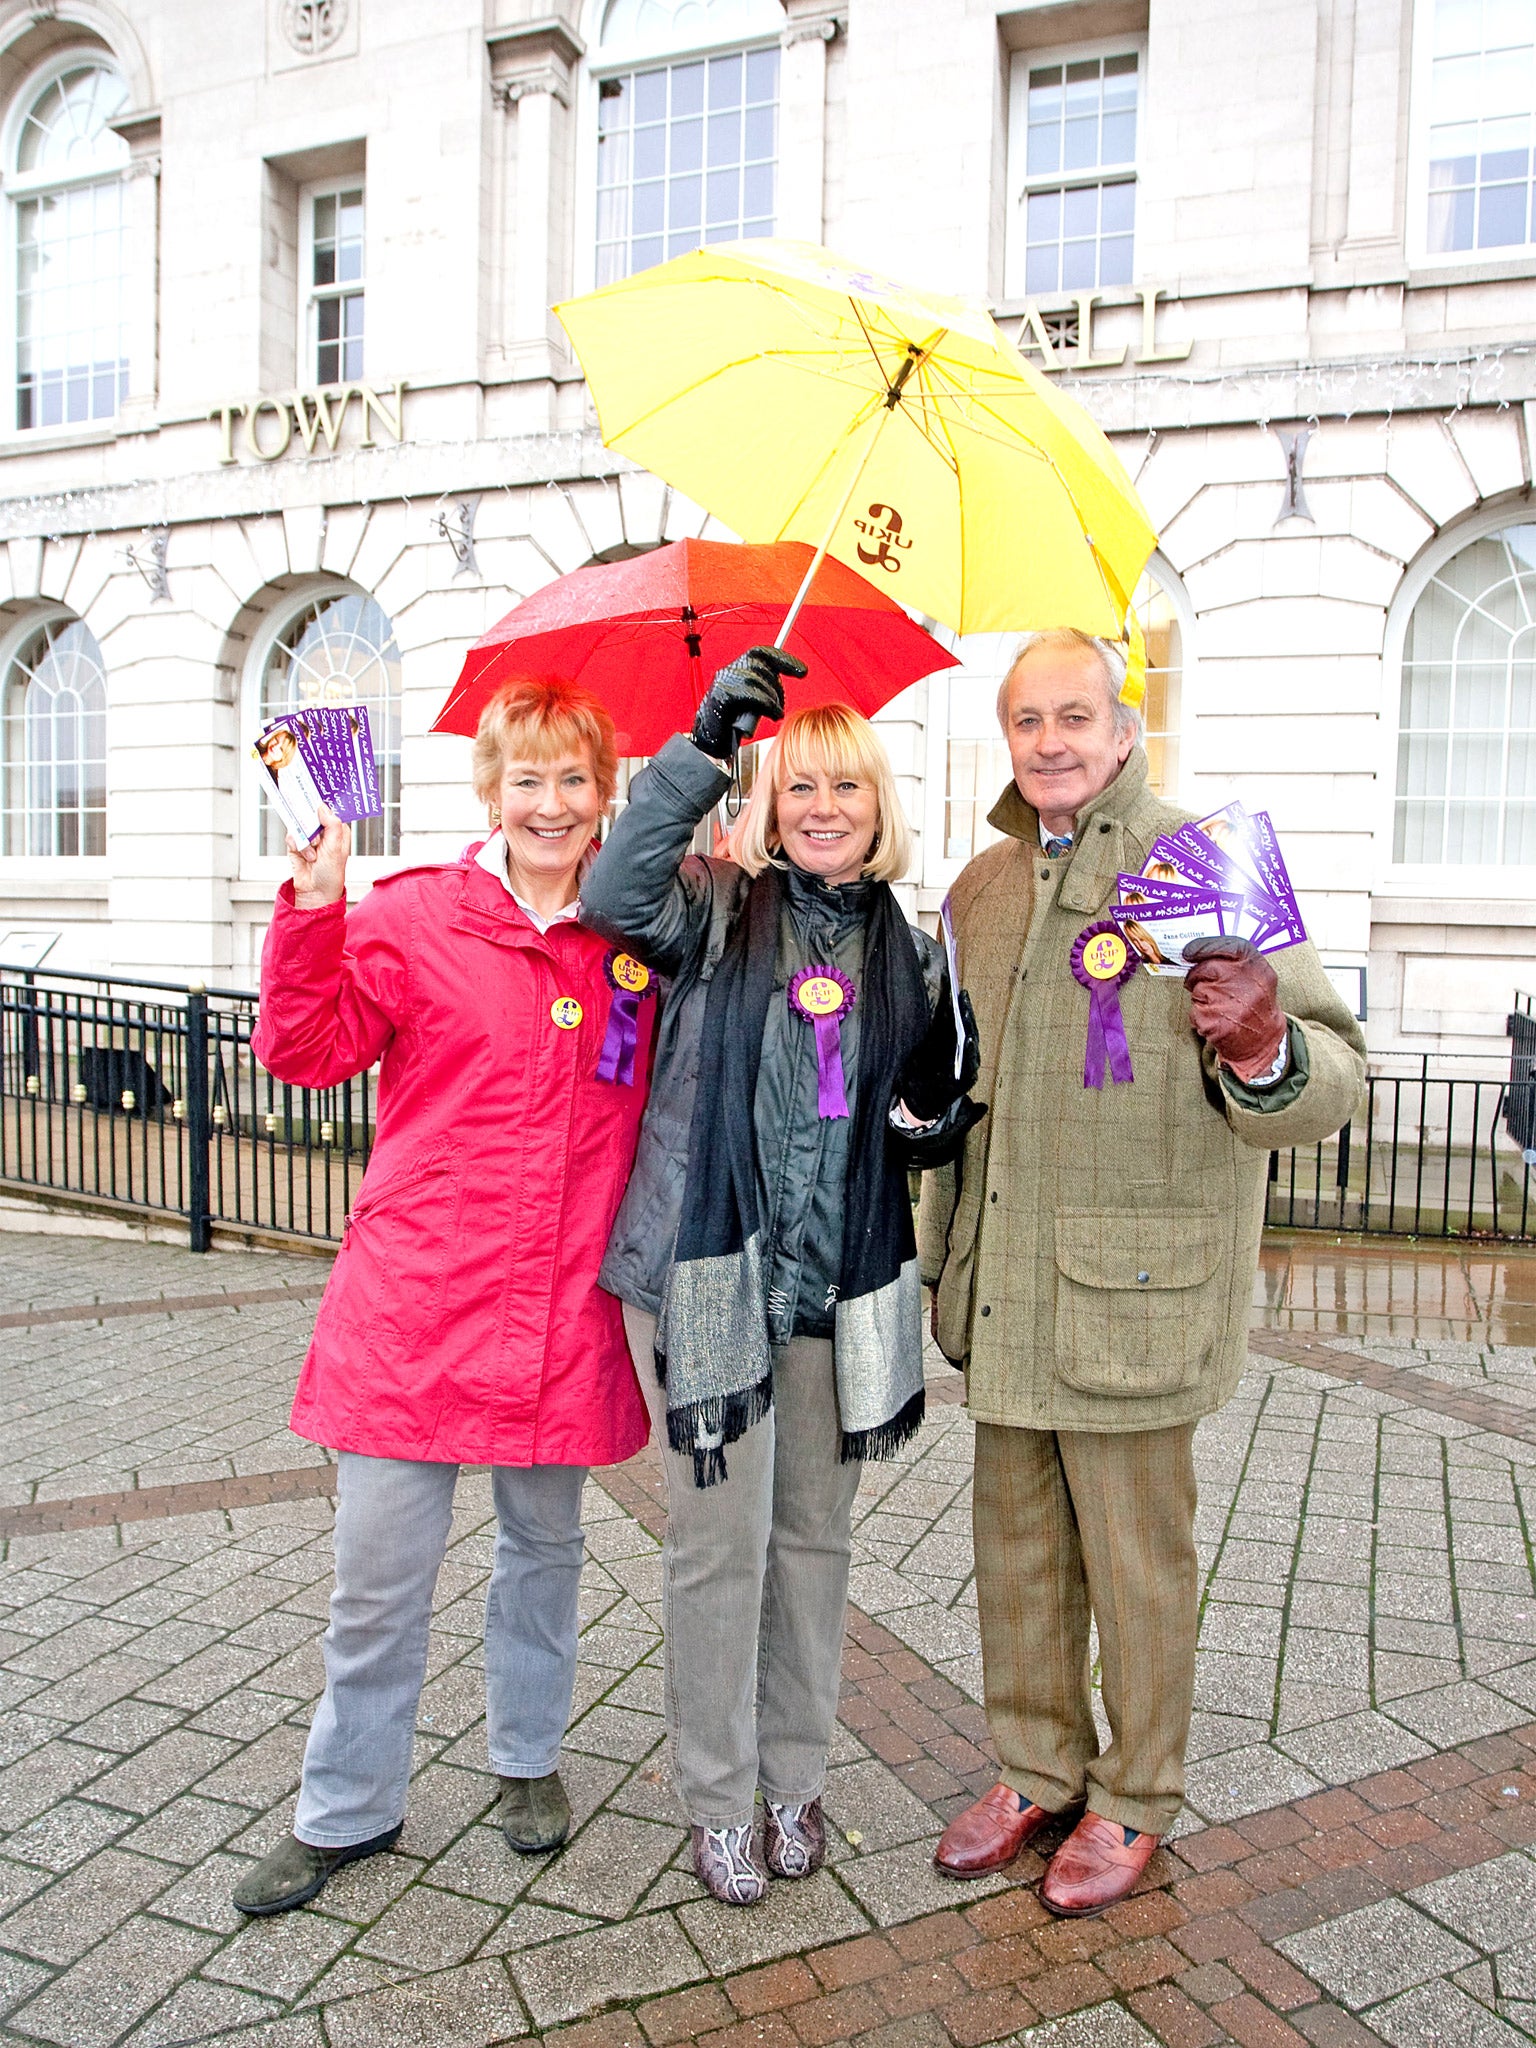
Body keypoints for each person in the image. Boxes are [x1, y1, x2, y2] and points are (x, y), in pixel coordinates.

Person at [922, 629, 1365, 1917]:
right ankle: (1034, 1764)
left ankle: (1135, 1793)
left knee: (1137, 1564)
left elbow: (1334, 1075)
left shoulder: (1202, 860)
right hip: (1004, 1287)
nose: (1050, 741)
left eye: (1075, 716)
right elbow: (958, 1087)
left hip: (1136, 1296)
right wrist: (937, 1246)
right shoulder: (983, 887)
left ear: (1126, 732)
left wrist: (1266, 1035)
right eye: (1025, 721)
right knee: (1014, 1552)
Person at [233, 677, 655, 1917]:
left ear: (603, 800)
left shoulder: (638, 939)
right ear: (491, 792)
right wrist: (316, 907)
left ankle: (526, 1758)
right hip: (416, 1306)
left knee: (545, 1551)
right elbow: (305, 1051)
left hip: (560, 1309)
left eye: (574, 779)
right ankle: (347, 1807)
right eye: (526, 778)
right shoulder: (414, 916)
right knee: (378, 1582)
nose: (549, 802)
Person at [582, 649, 982, 1907]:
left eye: (846, 790)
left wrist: (942, 1095)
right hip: (713, 1276)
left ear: (877, 808)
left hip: (835, 1287)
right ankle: (715, 1795)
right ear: (769, 796)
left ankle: (793, 1776)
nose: (822, 807)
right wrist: (698, 748)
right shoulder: (711, 903)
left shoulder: (907, 951)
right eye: (800, 784)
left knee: (813, 1541)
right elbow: (609, 889)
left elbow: (917, 1110)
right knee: (719, 1545)